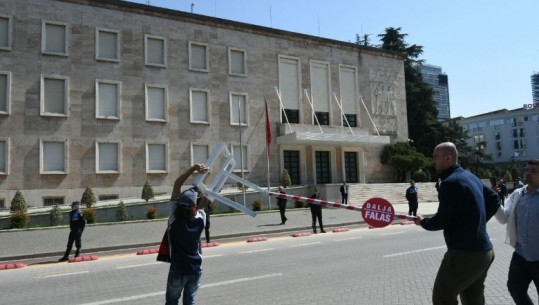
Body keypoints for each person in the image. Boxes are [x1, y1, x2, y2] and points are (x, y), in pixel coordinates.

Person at [413, 142, 500, 305]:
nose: (433, 161)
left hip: (464, 253)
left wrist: (423, 222)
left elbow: (442, 219)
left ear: (448, 158)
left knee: (442, 296)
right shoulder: (470, 176)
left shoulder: (450, 183)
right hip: (485, 252)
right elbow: (494, 199)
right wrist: (477, 222)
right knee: (472, 298)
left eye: (435, 157)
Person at [495, 159, 539, 305]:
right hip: (521, 255)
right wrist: (494, 201)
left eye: (533, 171)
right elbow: (504, 218)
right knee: (515, 288)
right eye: (527, 170)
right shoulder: (518, 194)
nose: (528, 173)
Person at [165, 164, 209, 305]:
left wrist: (192, 168)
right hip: (195, 269)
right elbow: (204, 203)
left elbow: (177, 184)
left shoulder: (174, 218)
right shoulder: (200, 220)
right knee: (189, 302)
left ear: (179, 205)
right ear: (194, 208)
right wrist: (208, 190)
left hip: (178, 269)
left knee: (171, 301)